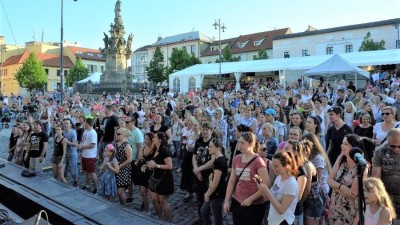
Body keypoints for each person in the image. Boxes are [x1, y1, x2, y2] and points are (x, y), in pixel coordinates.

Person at [223, 132, 270, 225]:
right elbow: (232, 181)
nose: (239, 145)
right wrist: (227, 200)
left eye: (242, 143)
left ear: (251, 144)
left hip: (254, 205)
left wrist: (251, 199)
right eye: (239, 142)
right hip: (238, 201)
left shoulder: (258, 161)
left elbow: (267, 184)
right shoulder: (237, 158)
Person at [328, 134, 369, 225]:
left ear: (354, 146)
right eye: (342, 143)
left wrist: (334, 185)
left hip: (349, 211)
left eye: (345, 144)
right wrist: (341, 187)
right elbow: (329, 180)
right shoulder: (341, 158)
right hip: (334, 208)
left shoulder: (362, 166)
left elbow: (352, 194)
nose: (341, 146)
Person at [256, 151, 299, 225]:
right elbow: (267, 198)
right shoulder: (279, 178)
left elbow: (281, 210)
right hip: (272, 221)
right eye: (273, 165)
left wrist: (267, 191)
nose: (273, 168)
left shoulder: (291, 183)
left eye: (276, 166)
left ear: (286, 166)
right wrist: (261, 187)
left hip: (283, 222)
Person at [143, 132, 174, 221]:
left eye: (155, 137)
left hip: (164, 178)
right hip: (155, 177)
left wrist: (157, 165)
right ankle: (159, 218)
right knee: (154, 199)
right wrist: (147, 165)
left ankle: (167, 220)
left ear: (160, 139)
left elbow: (170, 166)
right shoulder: (155, 148)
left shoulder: (165, 150)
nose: (153, 138)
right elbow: (153, 161)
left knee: (163, 200)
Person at [372, 128, 400, 224]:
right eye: (393, 146)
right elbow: (376, 176)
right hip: (387, 197)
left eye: (399, 146)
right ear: (388, 141)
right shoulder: (380, 152)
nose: (396, 149)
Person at [200, 138, 228, 225]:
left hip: (217, 194)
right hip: (215, 192)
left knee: (217, 219)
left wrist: (207, 194)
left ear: (218, 148)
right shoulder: (218, 160)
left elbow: (216, 182)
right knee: (203, 211)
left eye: (211, 147)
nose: (209, 148)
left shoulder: (219, 161)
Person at [192, 122, 215, 225]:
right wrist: (197, 170)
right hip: (198, 173)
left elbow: (212, 161)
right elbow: (194, 156)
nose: (205, 131)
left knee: (208, 196)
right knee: (199, 196)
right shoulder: (198, 141)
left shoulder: (214, 143)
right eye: (203, 129)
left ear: (211, 131)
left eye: (207, 130)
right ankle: (201, 217)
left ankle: (207, 217)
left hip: (209, 174)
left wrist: (199, 169)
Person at [126, 115, 144, 205]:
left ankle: (144, 201)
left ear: (133, 122)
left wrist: (137, 161)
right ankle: (130, 197)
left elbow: (140, 148)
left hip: (134, 161)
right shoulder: (127, 131)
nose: (126, 123)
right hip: (128, 160)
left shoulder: (137, 132)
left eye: (127, 122)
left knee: (139, 182)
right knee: (129, 180)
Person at [136, 133, 156, 214]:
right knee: (143, 192)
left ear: (151, 139)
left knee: (153, 195)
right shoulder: (143, 147)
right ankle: (146, 210)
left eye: (147, 139)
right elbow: (140, 157)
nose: (145, 140)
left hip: (151, 174)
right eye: (145, 138)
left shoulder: (155, 149)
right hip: (143, 173)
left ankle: (157, 211)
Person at [78, 118, 99, 194]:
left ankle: (96, 188)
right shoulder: (86, 131)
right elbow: (83, 141)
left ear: (87, 123)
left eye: (85, 122)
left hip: (90, 156)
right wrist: (80, 145)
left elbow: (92, 145)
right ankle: (87, 185)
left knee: (92, 172)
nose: (83, 124)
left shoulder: (93, 133)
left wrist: (82, 147)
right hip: (84, 154)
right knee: (87, 172)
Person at [114, 127, 133, 205]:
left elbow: (129, 159)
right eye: (116, 133)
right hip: (116, 168)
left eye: (118, 134)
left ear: (124, 135)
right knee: (118, 191)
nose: (116, 135)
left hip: (124, 170)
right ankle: (122, 205)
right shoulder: (116, 143)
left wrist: (120, 166)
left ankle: (124, 207)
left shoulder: (127, 145)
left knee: (120, 191)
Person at [63, 119, 78, 186]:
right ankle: (64, 181)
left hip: (72, 153)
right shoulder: (63, 132)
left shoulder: (73, 132)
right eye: (64, 123)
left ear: (70, 125)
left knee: (73, 168)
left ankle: (75, 181)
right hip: (64, 153)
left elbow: (75, 144)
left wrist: (67, 142)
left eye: (67, 123)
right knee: (64, 168)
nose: (65, 124)